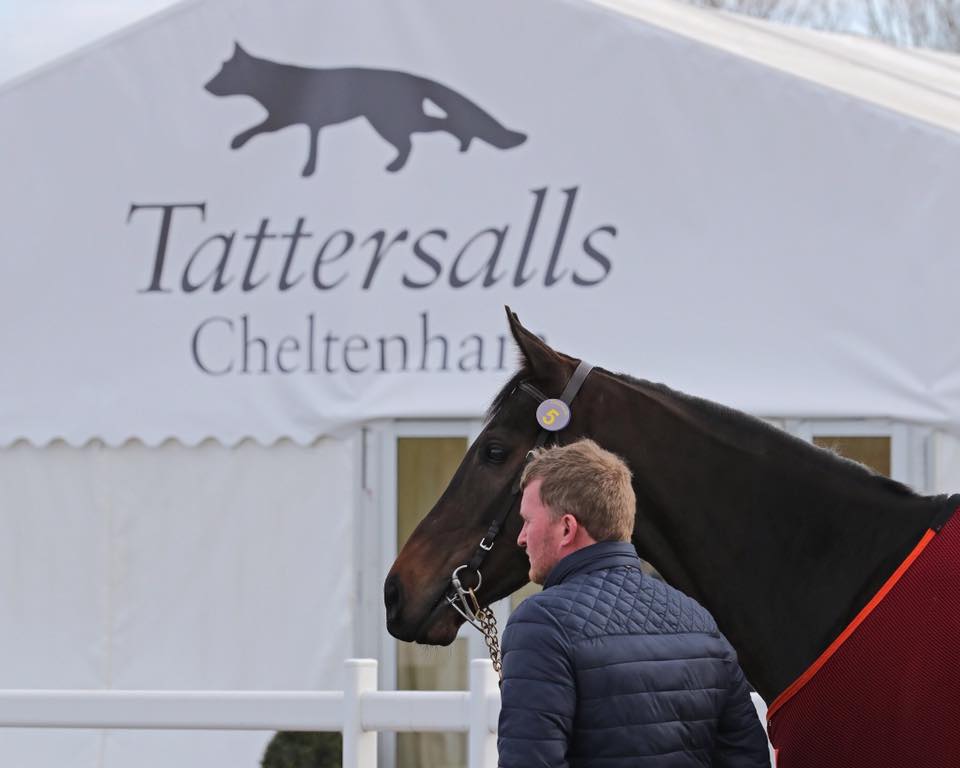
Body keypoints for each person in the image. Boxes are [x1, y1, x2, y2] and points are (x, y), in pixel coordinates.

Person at [498, 438, 770, 768]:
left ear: (567, 528)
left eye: (528, 520)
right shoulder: (699, 620)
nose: (521, 537)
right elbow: (747, 757)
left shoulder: (541, 623)